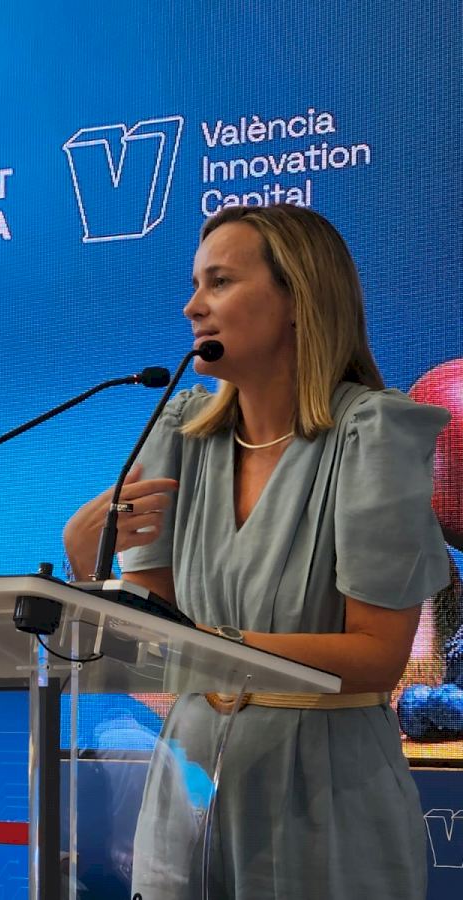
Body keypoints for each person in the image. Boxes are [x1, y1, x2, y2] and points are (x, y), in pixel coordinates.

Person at [63, 204, 449, 899]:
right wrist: (85, 567)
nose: (192, 307)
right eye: (194, 284)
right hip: (188, 781)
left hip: (325, 790)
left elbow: (378, 657)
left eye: (219, 282)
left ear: (299, 298)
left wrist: (217, 647)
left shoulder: (371, 436)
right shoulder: (180, 433)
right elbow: (150, 640)